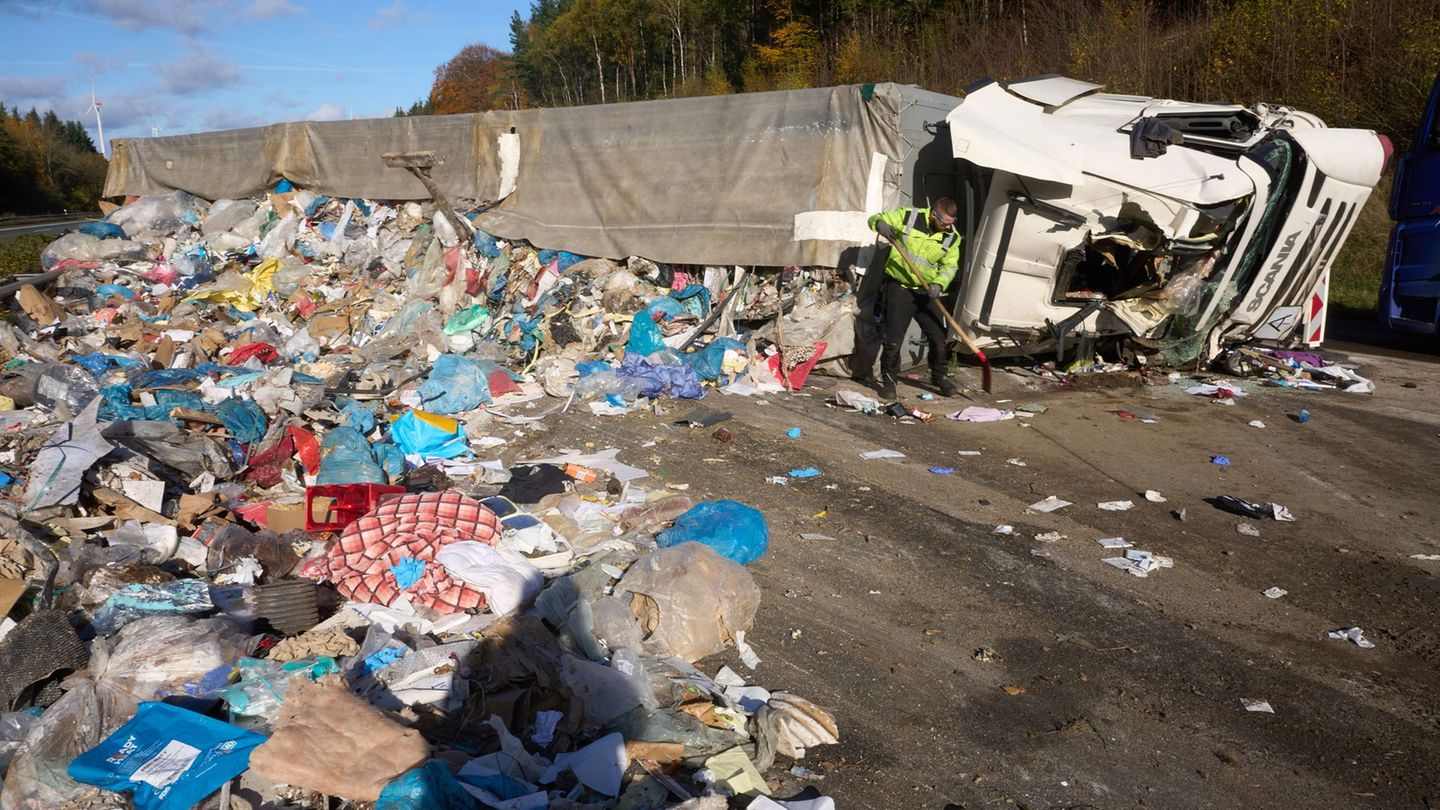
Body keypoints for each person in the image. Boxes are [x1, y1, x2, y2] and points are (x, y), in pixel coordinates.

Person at [866, 197, 962, 398]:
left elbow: (950, 265)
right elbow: (877, 218)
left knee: (938, 337)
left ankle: (940, 376)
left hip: (926, 292)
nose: (947, 227)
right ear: (933, 214)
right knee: (893, 340)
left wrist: (939, 284)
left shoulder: (952, 237)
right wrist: (880, 224)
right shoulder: (910, 216)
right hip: (899, 287)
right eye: (944, 222)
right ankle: (890, 382)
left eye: (950, 224)